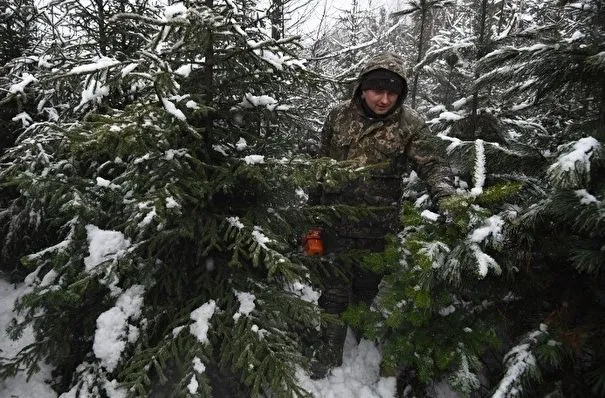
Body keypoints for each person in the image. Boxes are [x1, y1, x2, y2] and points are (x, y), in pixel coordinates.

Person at [310, 52, 455, 378]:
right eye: (377, 90)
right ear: (363, 88)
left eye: (393, 92)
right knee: (332, 294)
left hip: (378, 227)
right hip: (335, 222)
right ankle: (328, 353)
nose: (384, 99)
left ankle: (363, 345)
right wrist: (312, 216)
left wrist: (447, 199)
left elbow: (434, 164)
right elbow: (320, 166)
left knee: (365, 289)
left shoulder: (411, 124)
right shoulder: (338, 117)